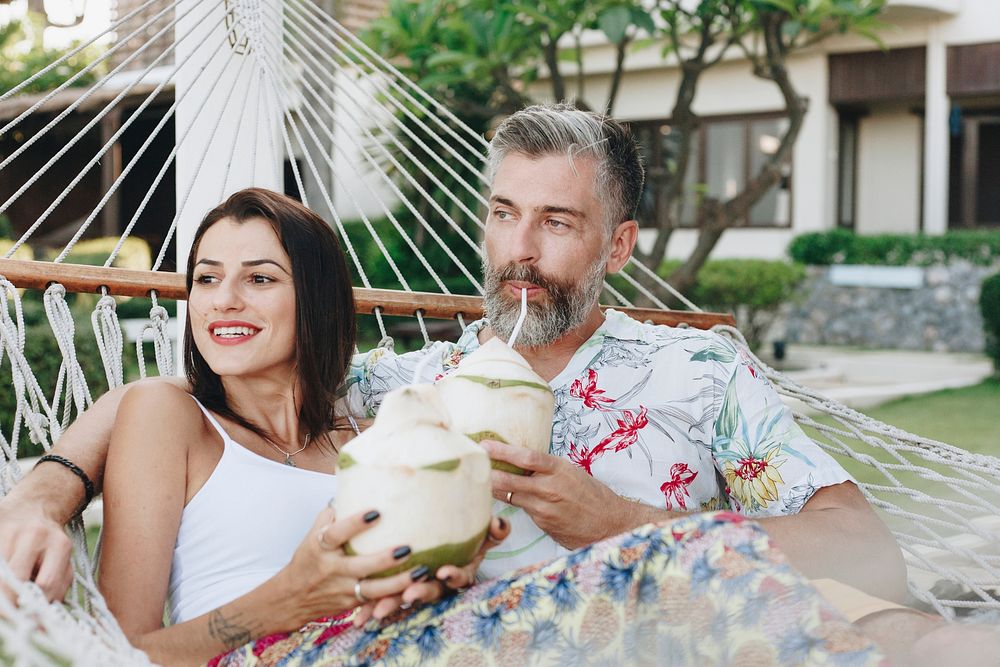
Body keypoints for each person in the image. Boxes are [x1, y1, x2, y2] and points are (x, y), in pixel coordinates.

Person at [0, 106, 993, 665]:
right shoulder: (407, 388)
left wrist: (613, 518)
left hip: (686, 625)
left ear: (619, 243)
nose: (520, 251)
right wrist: (45, 486)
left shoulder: (699, 369)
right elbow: (185, 398)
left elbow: (864, 549)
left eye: (556, 222)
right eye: (502, 214)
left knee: (713, 576)